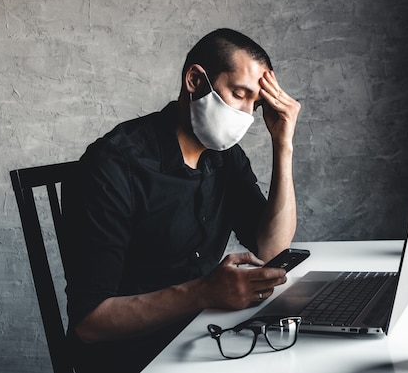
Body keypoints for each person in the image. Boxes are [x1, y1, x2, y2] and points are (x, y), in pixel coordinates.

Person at [61, 28, 301, 373]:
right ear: (195, 80)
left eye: (256, 103)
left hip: (205, 337)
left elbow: (272, 248)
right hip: (133, 357)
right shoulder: (113, 165)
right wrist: (204, 292)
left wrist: (284, 145)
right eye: (239, 94)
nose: (247, 115)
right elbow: (89, 323)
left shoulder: (227, 158)